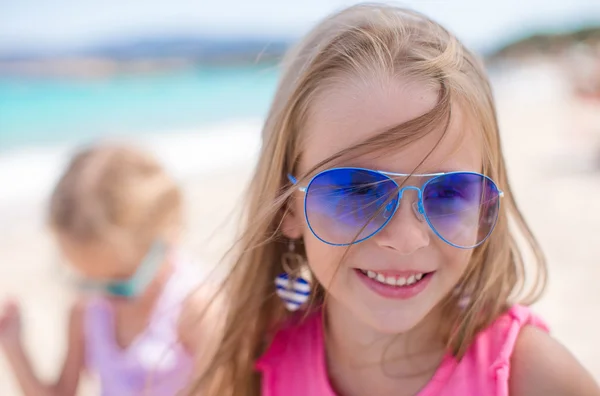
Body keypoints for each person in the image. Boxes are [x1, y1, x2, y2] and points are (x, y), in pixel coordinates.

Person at [187, 4, 600, 396]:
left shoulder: (535, 378)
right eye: (358, 189)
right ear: (287, 204)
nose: (406, 238)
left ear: (484, 207)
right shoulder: (255, 359)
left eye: (449, 192)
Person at [0, 144, 217, 396]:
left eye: (119, 283)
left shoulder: (196, 309)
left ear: (168, 241)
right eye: (87, 281)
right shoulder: (87, 309)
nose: (104, 296)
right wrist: (13, 346)